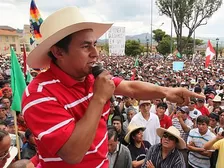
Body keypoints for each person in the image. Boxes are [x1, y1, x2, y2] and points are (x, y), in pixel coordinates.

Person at [22, 7, 203, 168]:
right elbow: (72, 154)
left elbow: (131, 87)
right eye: (86, 46)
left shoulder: (91, 77)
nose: (95, 53)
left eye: (94, 44)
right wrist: (99, 98)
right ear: (58, 51)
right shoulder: (38, 94)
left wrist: (167, 91)